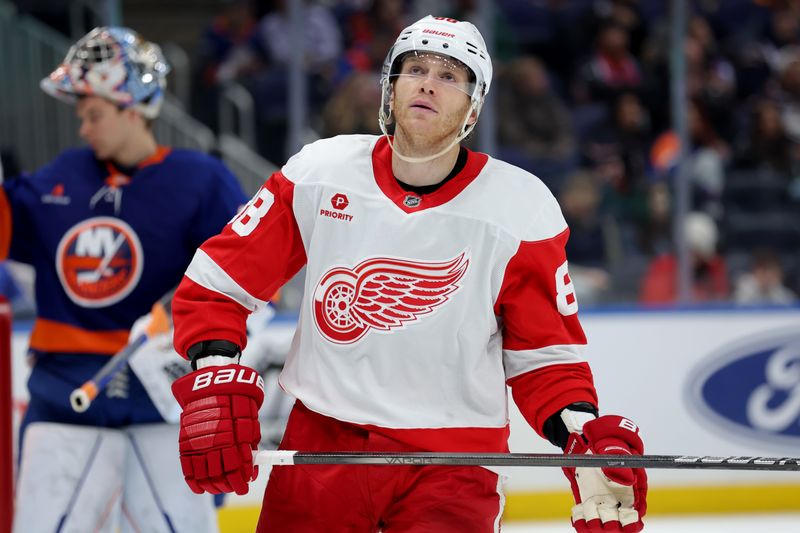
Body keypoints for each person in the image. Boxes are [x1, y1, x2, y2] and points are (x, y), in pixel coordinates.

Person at [170, 15, 647, 533]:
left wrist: (579, 432)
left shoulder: (521, 207)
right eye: (415, 68)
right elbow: (218, 283)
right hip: (325, 444)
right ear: (390, 88)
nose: (427, 82)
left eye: (449, 76)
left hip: (453, 462)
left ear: (473, 105)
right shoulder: (319, 172)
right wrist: (214, 369)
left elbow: (545, 359)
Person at [0, 27, 247, 532]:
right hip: (62, 398)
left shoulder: (202, 180)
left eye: (94, 114)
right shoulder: (62, 174)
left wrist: (186, 317)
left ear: (132, 109)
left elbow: (243, 275)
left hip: (162, 402)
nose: (84, 128)